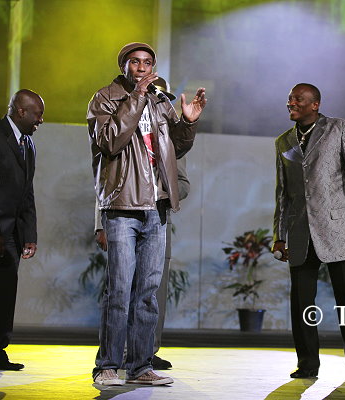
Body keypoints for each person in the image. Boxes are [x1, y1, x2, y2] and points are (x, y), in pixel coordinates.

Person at [87, 42, 206, 386]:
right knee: (119, 289)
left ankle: (140, 367)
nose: (142, 68)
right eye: (135, 62)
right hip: (122, 205)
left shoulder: (160, 100)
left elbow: (175, 149)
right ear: (123, 66)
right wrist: (137, 97)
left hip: (156, 206)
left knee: (148, 291)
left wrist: (188, 122)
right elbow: (109, 141)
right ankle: (107, 365)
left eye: (147, 63)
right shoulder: (105, 98)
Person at [272, 83, 345, 380]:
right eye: (290, 98)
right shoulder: (283, 141)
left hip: (341, 229)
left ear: (315, 104)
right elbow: (283, 192)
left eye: (298, 99)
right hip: (300, 233)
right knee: (301, 303)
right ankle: (307, 364)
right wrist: (279, 235)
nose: (291, 102)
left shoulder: (340, 128)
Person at [0, 89, 45, 370]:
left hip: (11, 235)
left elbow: (26, 192)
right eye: (38, 114)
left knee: (3, 296)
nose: (40, 120)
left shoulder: (28, 144)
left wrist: (29, 234)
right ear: (21, 111)